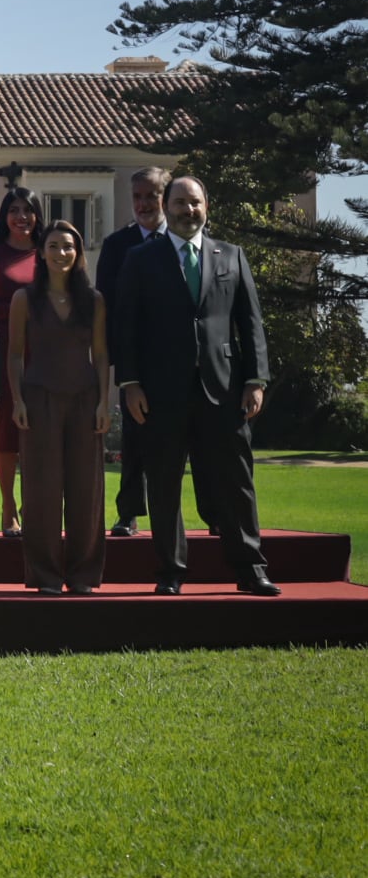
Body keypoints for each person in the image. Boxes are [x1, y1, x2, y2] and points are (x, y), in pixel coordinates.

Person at [114, 176, 279, 596]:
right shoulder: (140, 258)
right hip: (159, 393)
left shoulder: (232, 256)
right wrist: (130, 383)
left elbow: (250, 322)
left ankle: (250, 568)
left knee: (236, 481)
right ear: (165, 207)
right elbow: (125, 327)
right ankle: (170, 571)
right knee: (164, 484)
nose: (189, 210)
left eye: (195, 202)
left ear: (207, 206)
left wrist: (255, 379)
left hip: (224, 391)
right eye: (180, 203)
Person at [9, 221, 109, 594]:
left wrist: (104, 403)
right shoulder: (25, 299)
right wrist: (18, 400)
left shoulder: (93, 300)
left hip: (84, 400)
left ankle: (82, 575)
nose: (61, 253)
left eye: (68, 246)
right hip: (39, 401)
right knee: (41, 492)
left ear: (78, 252)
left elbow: (100, 355)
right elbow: (15, 355)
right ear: (41, 252)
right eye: (53, 246)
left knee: (86, 491)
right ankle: (46, 575)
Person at [94, 166, 169, 538]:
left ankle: (213, 514)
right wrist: (112, 368)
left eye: (151, 195)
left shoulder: (185, 241)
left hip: (182, 361)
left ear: (165, 197)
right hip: (134, 364)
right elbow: (104, 309)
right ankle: (128, 515)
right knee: (134, 443)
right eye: (137, 196)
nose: (143, 203)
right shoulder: (115, 246)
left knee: (197, 443)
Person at [0, 186, 45, 537]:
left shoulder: (48, 253)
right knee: (5, 432)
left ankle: (35, 504)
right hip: (0, 348)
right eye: (14, 210)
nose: (22, 217)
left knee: (36, 431)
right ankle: (8, 505)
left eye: (28, 210)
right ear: (4, 216)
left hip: (42, 350)